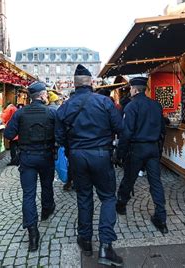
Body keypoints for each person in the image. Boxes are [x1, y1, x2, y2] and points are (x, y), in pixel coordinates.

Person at [56, 64, 124, 267]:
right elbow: (120, 128)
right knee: (108, 198)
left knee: (84, 197)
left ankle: (85, 240)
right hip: (101, 155)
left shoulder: (64, 106)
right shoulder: (104, 102)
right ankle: (105, 246)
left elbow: (59, 137)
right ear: (91, 83)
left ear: (75, 85)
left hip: (77, 156)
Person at [4, 82, 57, 252]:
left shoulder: (20, 113)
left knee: (28, 194)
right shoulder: (51, 112)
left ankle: (33, 233)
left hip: (27, 157)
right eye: (46, 95)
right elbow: (60, 134)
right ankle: (46, 210)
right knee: (47, 185)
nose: (47, 97)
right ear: (42, 96)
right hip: (46, 156)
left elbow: (8, 134)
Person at [115, 77, 168, 234]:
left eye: (130, 88)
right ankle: (161, 217)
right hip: (152, 148)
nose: (130, 91)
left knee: (129, 178)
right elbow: (162, 130)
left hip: (137, 148)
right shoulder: (156, 105)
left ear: (134, 89)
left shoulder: (132, 106)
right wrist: (158, 150)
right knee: (156, 182)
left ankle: (121, 204)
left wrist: (120, 153)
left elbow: (127, 132)